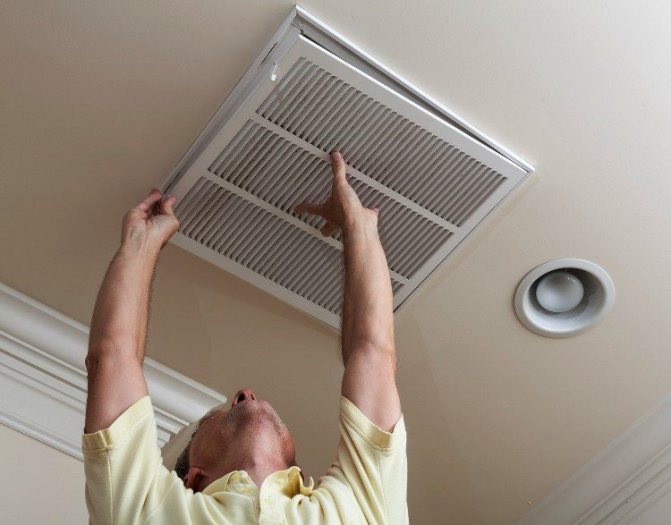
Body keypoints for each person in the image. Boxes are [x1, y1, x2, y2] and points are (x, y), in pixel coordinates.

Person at [83, 152, 407, 524]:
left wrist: (139, 244)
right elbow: (374, 355)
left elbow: (111, 359)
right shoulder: (358, 510)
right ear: (194, 478)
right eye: (214, 418)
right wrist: (357, 228)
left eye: (216, 413)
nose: (245, 394)